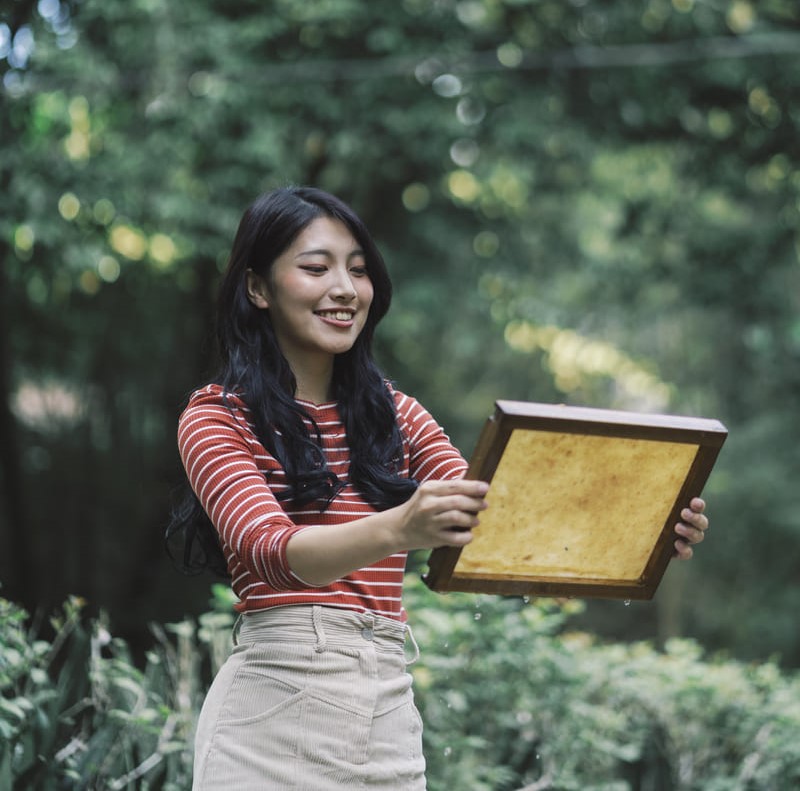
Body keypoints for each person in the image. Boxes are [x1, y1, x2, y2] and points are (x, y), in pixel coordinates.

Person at [168, 186, 709, 790]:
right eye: (316, 268)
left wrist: (645, 525)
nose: (345, 288)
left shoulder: (395, 414)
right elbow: (271, 553)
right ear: (258, 288)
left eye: (359, 269)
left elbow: (496, 522)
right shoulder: (217, 417)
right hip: (272, 707)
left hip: (389, 712)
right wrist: (400, 527)